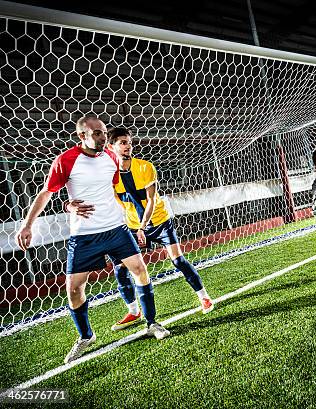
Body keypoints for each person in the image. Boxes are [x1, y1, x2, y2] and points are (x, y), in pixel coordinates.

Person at [15, 115, 169, 364]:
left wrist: (137, 221)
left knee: (140, 270)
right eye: (96, 133)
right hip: (84, 236)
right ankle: (86, 336)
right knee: (74, 290)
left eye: (104, 132)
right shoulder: (66, 160)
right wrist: (30, 223)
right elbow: (46, 192)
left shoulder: (111, 157)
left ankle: (151, 323)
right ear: (82, 136)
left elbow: (114, 190)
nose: (102, 136)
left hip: (116, 229)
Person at [100, 127, 214, 330]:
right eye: (123, 143)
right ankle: (134, 311)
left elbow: (151, 200)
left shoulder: (145, 167)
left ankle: (204, 297)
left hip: (159, 221)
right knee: (120, 269)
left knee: (178, 260)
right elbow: (118, 201)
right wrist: (129, 224)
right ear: (111, 147)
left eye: (129, 142)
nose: (128, 146)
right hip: (133, 227)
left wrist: (143, 226)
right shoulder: (110, 175)